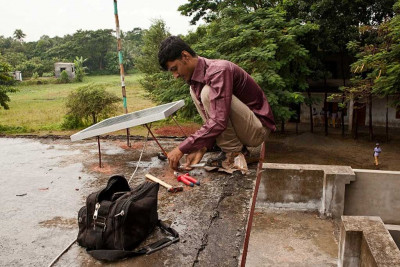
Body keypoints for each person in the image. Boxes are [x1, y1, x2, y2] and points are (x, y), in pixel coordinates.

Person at [158, 36, 276, 170]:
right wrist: (201, 147)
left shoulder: (218, 70)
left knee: (207, 93)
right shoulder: (195, 82)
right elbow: (214, 118)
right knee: (197, 91)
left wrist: (181, 148)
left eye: (174, 69)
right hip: (244, 128)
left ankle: (234, 153)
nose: (175, 76)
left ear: (185, 56)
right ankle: (232, 150)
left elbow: (219, 120)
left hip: (257, 130)